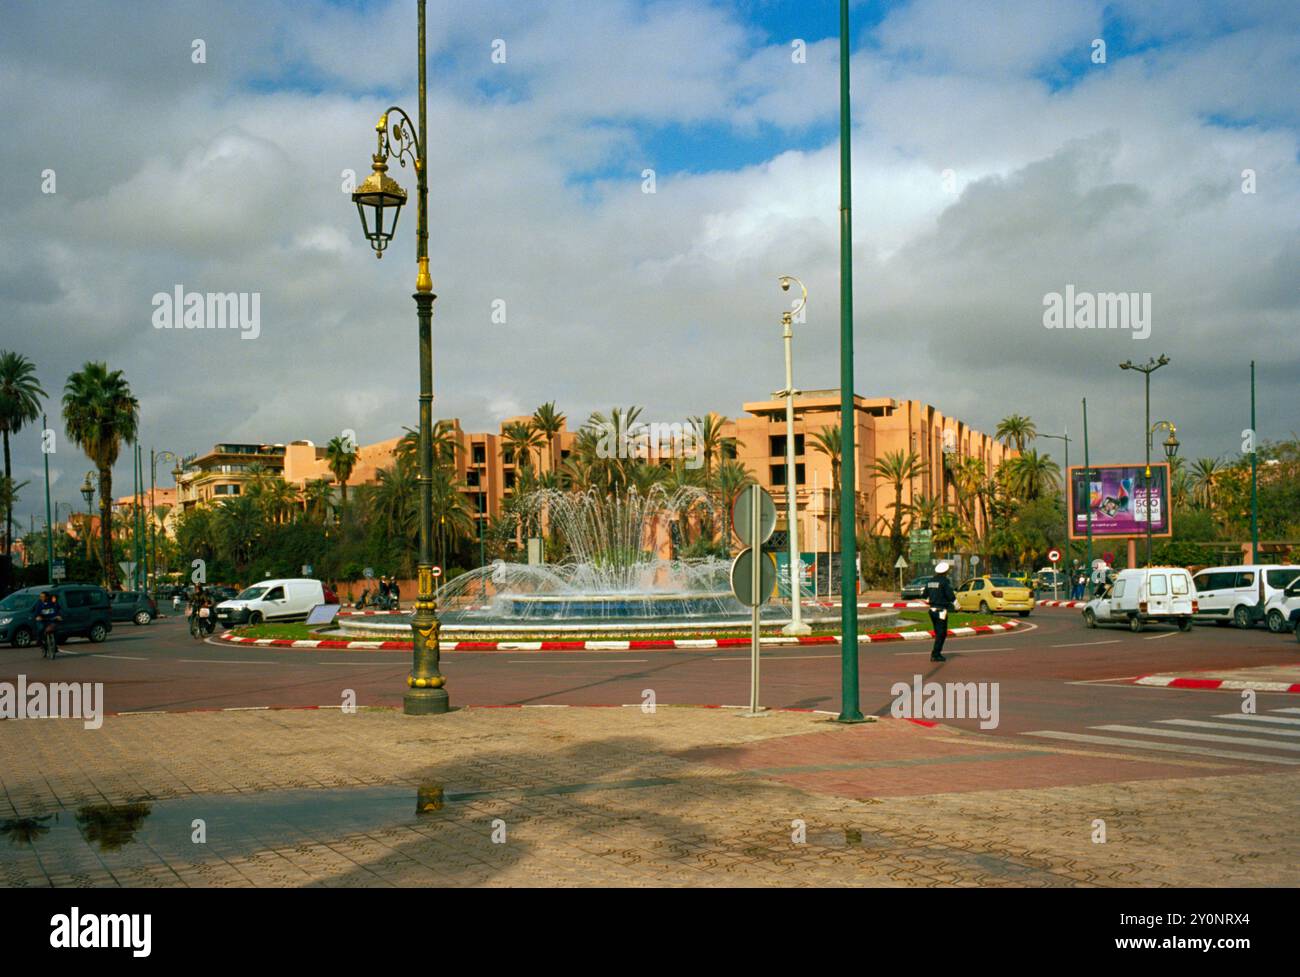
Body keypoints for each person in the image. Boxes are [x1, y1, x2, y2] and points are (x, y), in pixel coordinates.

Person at [924, 561, 957, 663]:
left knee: (938, 632)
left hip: (932, 611)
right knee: (941, 633)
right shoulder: (944, 582)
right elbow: (950, 596)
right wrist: (957, 606)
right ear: (946, 571)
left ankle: (936, 653)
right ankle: (935, 654)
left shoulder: (930, 581)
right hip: (940, 611)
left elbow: (925, 594)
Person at [35, 591, 62, 656]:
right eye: (40, 597)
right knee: (40, 628)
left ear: (47, 597)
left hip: (51, 620)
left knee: (56, 631)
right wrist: (38, 617)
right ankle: (40, 643)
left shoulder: (52, 603)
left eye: (43, 597)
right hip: (42, 621)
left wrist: (58, 616)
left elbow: (57, 610)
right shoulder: (39, 604)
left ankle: (55, 645)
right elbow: (36, 613)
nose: (41, 598)